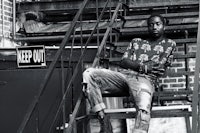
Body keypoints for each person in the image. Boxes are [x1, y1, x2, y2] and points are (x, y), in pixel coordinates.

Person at [82, 13, 176, 133]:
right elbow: (124, 62)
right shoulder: (136, 42)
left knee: (143, 107)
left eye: (158, 24)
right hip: (124, 77)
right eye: (151, 25)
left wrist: (136, 66)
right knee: (89, 74)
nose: (154, 27)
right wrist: (144, 67)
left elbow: (158, 68)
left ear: (164, 26)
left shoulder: (170, 44)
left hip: (145, 81)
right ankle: (103, 119)